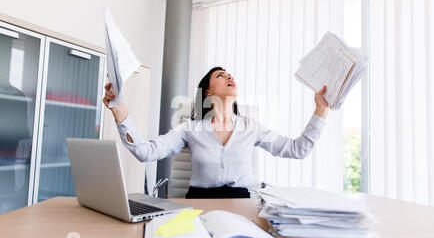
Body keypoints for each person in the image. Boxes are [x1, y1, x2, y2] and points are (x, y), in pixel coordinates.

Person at [103, 66, 329, 199]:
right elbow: (146, 151)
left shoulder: (252, 127)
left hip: (243, 205)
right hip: (200, 206)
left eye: (230, 75)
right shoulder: (190, 129)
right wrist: (120, 111)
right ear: (208, 91)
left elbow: (297, 150)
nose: (229, 77)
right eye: (221, 75)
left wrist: (321, 110)